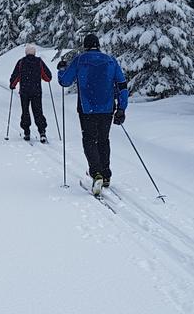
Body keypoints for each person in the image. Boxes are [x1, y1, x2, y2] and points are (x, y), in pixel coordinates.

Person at [57, 33, 128, 194]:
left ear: (85, 46)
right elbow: (122, 84)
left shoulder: (80, 60)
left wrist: (61, 69)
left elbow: (65, 81)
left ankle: (96, 173)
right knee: (103, 139)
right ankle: (106, 174)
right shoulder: (110, 60)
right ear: (98, 45)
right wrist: (122, 107)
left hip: (86, 108)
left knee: (89, 140)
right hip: (107, 108)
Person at [9, 44, 53, 142]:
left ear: (26, 53)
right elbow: (47, 76)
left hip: (24, 92)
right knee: (38, 112)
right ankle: (42, 132)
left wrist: (12, 84)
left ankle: (27, 132)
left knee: (25, 111)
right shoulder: (39, 62)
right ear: (34, 52)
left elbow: (15, 76)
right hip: (36, 91)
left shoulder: (21, 62)